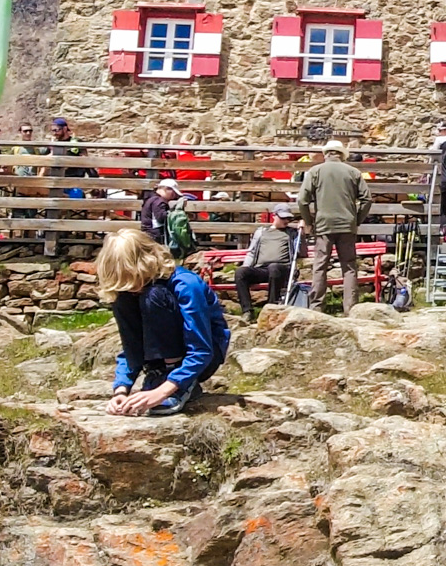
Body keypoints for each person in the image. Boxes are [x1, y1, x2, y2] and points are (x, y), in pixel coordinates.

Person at [97, 227, 228, 417]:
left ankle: (180, 383)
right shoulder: (129, 293)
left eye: (134, 281)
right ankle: (157, 373)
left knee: (154, 296)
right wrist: (121, 389)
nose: (133, 290)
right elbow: (131, 342)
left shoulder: (185, 284)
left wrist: (165, 390)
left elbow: (202, 349)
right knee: (121, 299)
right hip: (157, 360)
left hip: (201, 355)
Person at [297, 141, 370, 311]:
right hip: (347, 224)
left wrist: (308, 221)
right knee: (349, 266)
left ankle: (316, 307)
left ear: (326, 154)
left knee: (320, 265)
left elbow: (302, 200)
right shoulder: (353, 172)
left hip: (323, 224)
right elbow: (367, 199)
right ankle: (350, 307)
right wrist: (357, 219)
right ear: (342, 154)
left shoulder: (315, 171)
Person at [235, 205, 298, 321]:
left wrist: (301, 236)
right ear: (274, 216)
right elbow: (252, 252)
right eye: (283, 218)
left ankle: (271, 308)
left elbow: (301, 252)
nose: (286, 221)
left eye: (288, 219)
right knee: (240, 272)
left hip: (283, 270)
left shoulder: (292, 233)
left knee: (274, 267)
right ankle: (247, 311)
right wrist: (246, 266)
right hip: (262, 269)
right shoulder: (261, 232)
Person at [140, 179, 180, 243]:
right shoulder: (159, 201)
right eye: (173, 193)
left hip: (149, 232)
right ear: (167, 189)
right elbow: (161, 218)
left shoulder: (152, 199)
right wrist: (175, 214)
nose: (174, 195)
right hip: (155, 234)